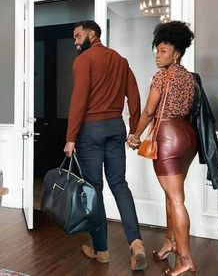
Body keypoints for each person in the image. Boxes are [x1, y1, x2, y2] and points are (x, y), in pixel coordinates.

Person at [64, 20, 147, 271]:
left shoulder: (83, 61)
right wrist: (133, 129)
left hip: (91, 131)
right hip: (115, 128)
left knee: (94, 189)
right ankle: (136, 243)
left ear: (93, 33)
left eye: (78, 36)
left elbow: (79, 99)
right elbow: (134, 95)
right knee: (119, 184)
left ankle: (102, 251)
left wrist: (70, 137)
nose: (76, 41)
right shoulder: (120, 60)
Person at [127, 21, 198, 276]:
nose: (158, 55)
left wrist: (134, 135)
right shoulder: (190, 78)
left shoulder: (161, 76)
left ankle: (186, 258)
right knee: (173, 195)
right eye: (156, 50)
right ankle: (169, 243)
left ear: (176, 52)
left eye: (163, 50)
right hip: (188, 138)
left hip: (167, 137)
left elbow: (148, 111)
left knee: (176, 198)